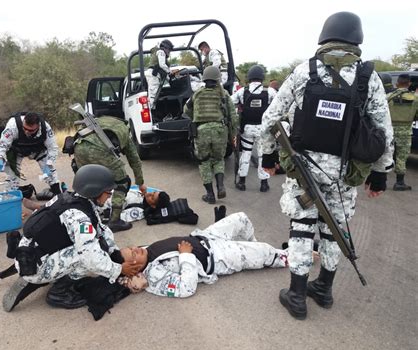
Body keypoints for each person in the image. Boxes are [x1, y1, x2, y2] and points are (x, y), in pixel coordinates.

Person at [258, 12, 394, 320]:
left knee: (302, 229)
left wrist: (267, 157)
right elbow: (382, 131)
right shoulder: (367, 77)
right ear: (356, 39)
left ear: (324, 37)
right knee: (336, 231)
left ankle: (296, 294)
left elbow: (271, 119)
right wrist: (380, 173)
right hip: (345, 174)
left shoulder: (304, 72)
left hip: (303, 169)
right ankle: (324, 289)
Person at [2, 164, 142, 312]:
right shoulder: (79, 218)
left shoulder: (70, 199)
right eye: (108, 192)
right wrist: (118, 270)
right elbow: (91, 257)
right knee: (86, 256)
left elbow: (102, 230)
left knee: (96, 244)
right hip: (35, 264)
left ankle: (49, 272)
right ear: (95, 192)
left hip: (32, 253)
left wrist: (115, 254)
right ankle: (58, 293)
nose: (109, 196)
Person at [117, 211, 288, 298]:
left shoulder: (145, 251)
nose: (135, 248)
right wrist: (185, 256)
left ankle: (251, 247)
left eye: (131, 247)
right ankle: (290, 258)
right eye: (132, 253)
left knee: (241, 219)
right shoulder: (154, 276)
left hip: (206, 237)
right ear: (134, 267)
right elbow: (186, 289)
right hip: (218, 257)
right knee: (265, 252)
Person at [73, 115, 146, 232]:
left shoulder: (102, 120)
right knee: (123, 182)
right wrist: (140, 182)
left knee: (89, 181)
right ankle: (115, 221)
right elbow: (134, 159)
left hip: (78, 146)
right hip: (99, 149)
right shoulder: (124, 129)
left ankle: (85, 215)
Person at [184, 66, 238, 204]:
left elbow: (186, 110)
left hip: (201, 131)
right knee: (219, 159)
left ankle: (210, 195)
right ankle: (220, 186)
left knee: (204, 162)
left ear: (204, 78)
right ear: (218, 79)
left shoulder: (197, 94)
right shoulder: (224, 94)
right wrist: (233, 135)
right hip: (220, 130)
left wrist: (195, 117)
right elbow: (233, 116)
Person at [0, 112, 61, 195]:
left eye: (31, 130)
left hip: (37, 149)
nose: (27, 131)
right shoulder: (13, 125)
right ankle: (12, 195)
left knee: (49, 170)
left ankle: (57, 193)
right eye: (24, 128)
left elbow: (53, 148)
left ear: (38, 126)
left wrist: (49, 163)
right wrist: (0, 158)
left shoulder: (45, 127)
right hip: (17, 149)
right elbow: (2, 145)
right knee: (12, 174)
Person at [231, 65, 274, 192]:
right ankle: (264, 184)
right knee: (262, 155)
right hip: (263, 129)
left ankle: (242, 182)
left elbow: (230, 101)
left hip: (247, 128)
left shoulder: (242, 91)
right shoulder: (269, 91)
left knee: (246, 153)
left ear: (249, 77)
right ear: (262, 77)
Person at [386, 74, 417, 191]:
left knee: (385, 154)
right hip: (405, 132)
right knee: (401, 157)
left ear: (397, 83)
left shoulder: (388, 97)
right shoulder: (415, 99)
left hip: (389, 130)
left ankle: (380, 180)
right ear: (409, 84)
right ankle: (399, 183)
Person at [146, 39, 175, 108]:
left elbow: (163, 71)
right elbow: (162, 65)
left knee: (154, 94)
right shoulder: (161, 52)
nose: (169, 52)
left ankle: (153, 109)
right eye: (169, 49)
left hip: (154, 74)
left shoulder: (159, 52)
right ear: (165, 47)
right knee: (153, 96)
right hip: (153, 75)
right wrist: (169, 72)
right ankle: (152, 112)